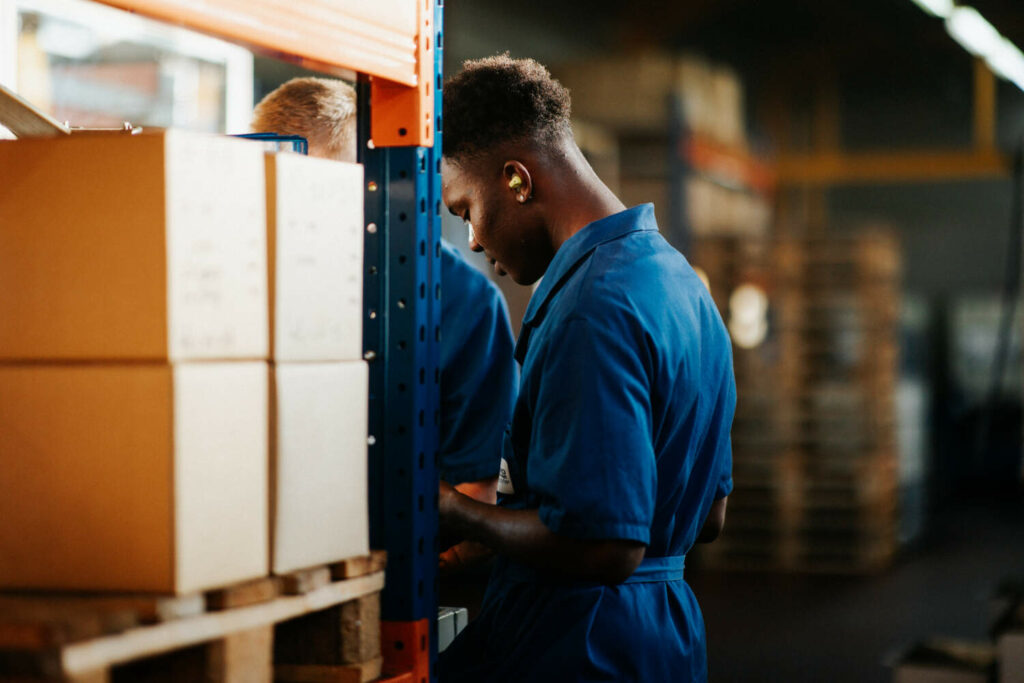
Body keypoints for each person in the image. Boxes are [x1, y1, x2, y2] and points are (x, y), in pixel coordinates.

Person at [436, 55, 734, 681]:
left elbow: (606, 547)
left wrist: (461, 513)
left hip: (583, 645)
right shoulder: (681, 284)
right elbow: (708, 517)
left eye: (465, 211)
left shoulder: (590, 310)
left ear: (517, 180)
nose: (471, 241)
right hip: (665, 637)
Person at [252, 77, 517, 506]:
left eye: (308, 196)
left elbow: (479, 491)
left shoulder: (460, 301)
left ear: (365, 186)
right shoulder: (246, 278)